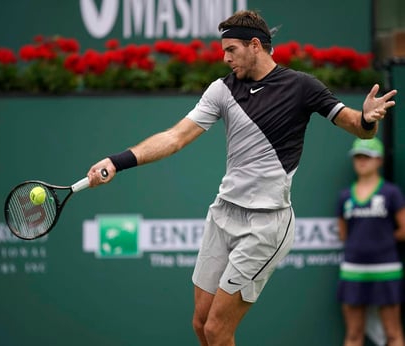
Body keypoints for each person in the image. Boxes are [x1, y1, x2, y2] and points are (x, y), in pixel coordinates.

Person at [87, 10, 398, 346]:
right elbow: (176, 137)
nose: (225, 58)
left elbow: (355, 124)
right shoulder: (221, 90)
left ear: (254, 46)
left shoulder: (301, 87)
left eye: (231, 49)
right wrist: (117, 162)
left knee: (218, 330)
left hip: (266, 225)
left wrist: (367, 118)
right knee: (201, 323)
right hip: (223, 215)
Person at [337, 137, 405, 346]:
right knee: (354, 334)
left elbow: (403, 229)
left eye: (367, 156)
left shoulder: (391, 193)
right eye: (358, 156)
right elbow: (343, 233)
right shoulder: (345, 196)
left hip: (386, 268)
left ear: (379, 161)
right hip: (353, 269)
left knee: (392, 333)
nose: (362, 161)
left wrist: (380, 240)